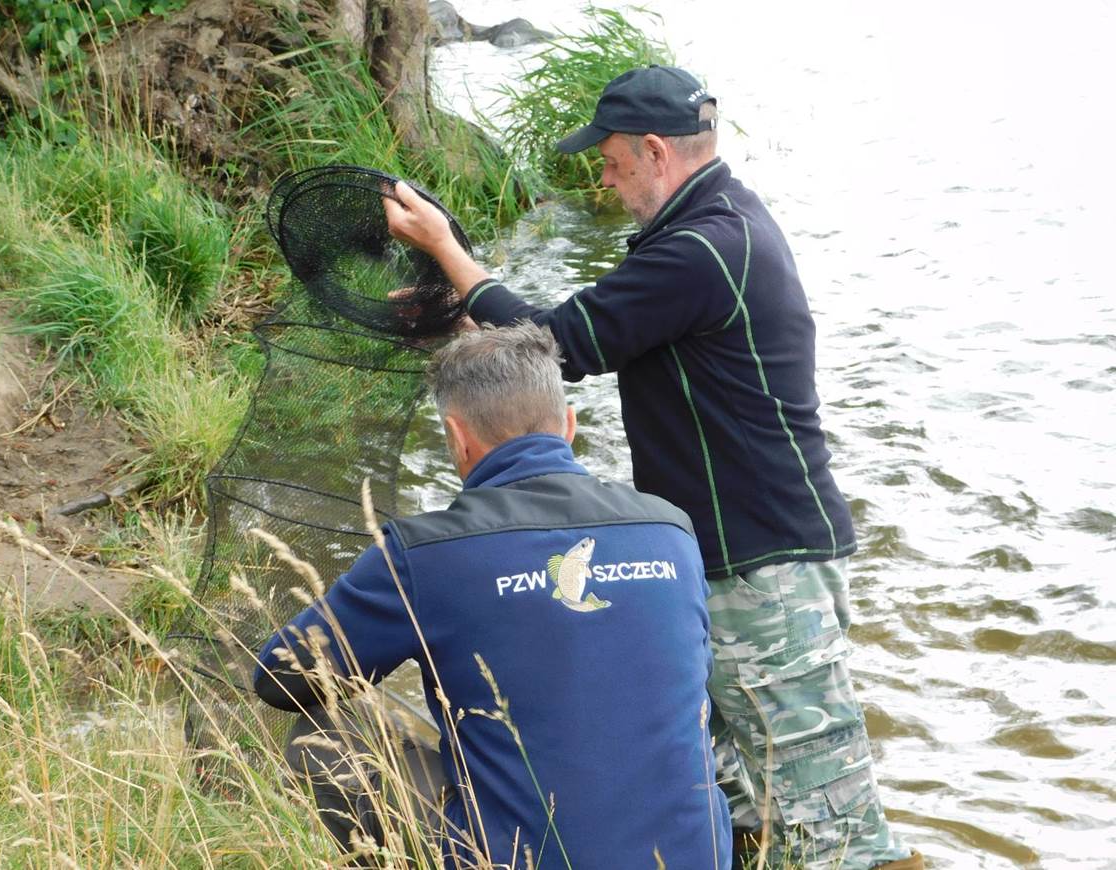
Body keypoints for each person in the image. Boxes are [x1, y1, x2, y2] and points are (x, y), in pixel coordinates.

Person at [382, 66, 922, 870]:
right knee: (730, 802)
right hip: (721, 562)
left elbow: (559, 344)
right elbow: (589, 330)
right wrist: (465, 305)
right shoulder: (708, 229)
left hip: (765, 568)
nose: (602, 175)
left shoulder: (706, 247)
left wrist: (448, 254)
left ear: (656, 152)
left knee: (829, 827)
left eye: (610, 159)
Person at [254, 322, 733, 868]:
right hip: (694, 857)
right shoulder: (672, 529)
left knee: (327, 732)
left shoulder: (425, 551)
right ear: (569, 426)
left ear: (457, 439)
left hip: (514, 859)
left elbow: (280, 678)